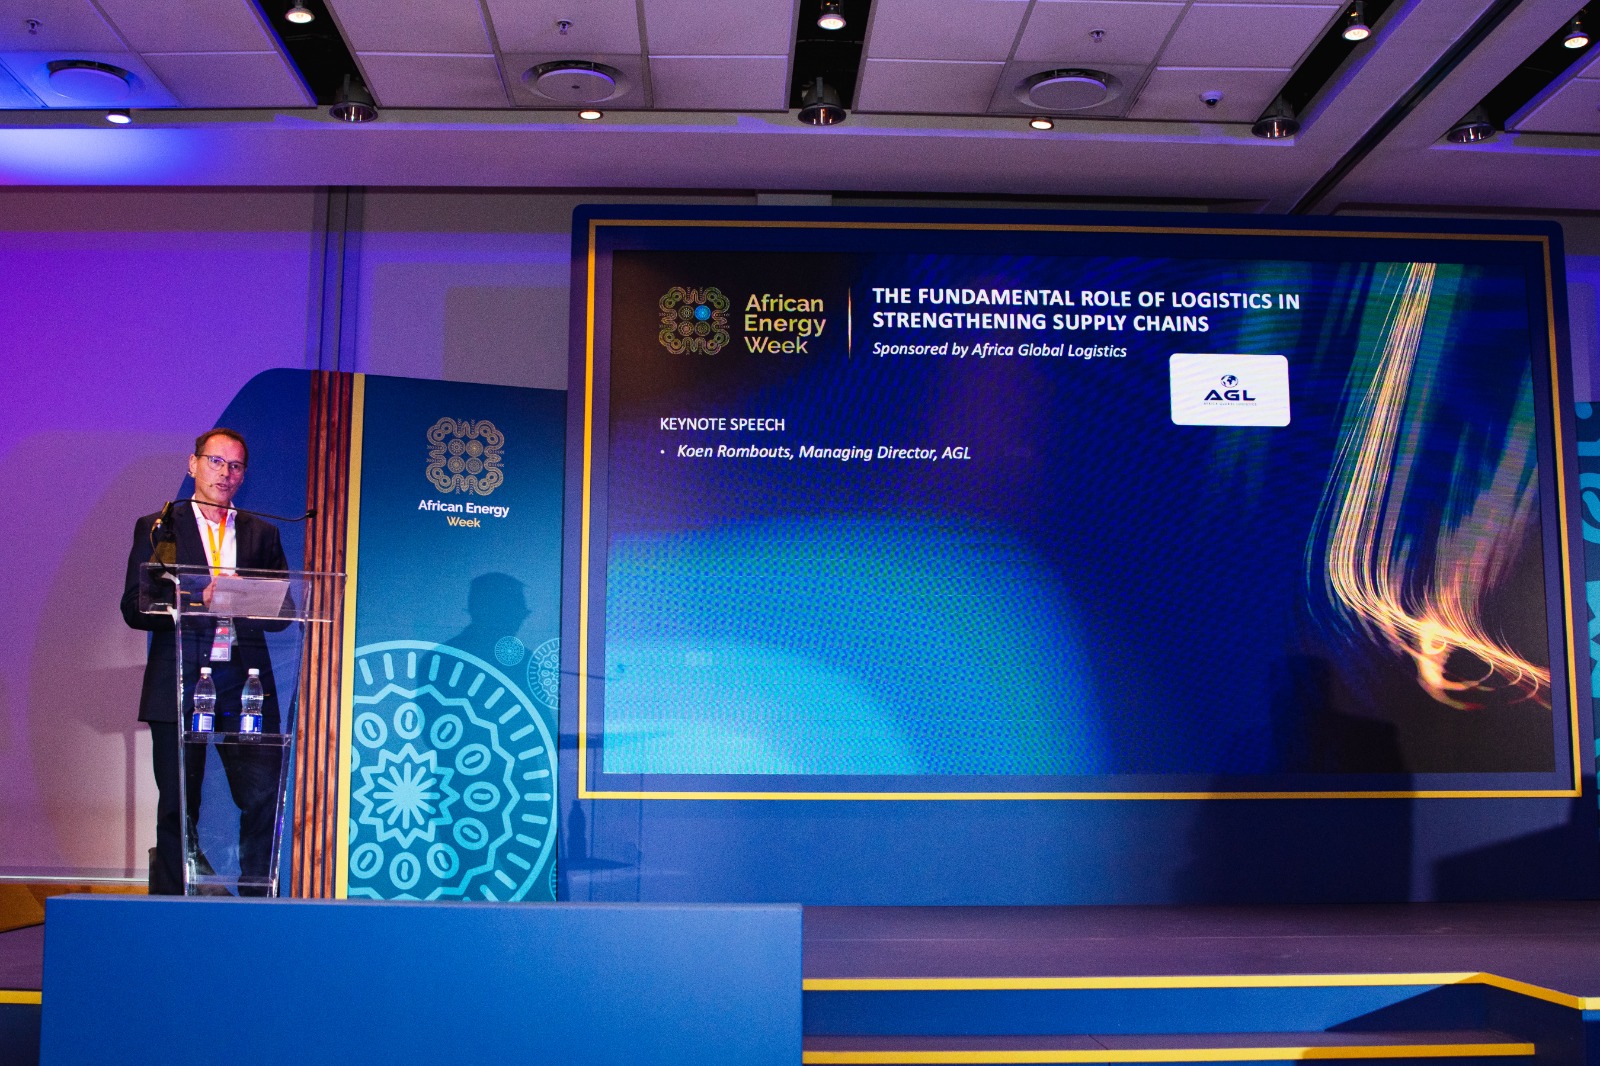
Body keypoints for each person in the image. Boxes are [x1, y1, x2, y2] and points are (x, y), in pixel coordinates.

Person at [120, 428, 288, 895]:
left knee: (262, 798)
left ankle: (258, 905)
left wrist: (244, 596)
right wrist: (199, 597)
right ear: (193, 464)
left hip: (245, 685)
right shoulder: (161, 528)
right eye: (215, 462)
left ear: (244, 475)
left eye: (235, 466)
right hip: (179, 681)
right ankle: (173, 909)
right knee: (178, 804)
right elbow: (135, 606)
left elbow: (285, 612)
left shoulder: (262, 533)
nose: (225, 473)